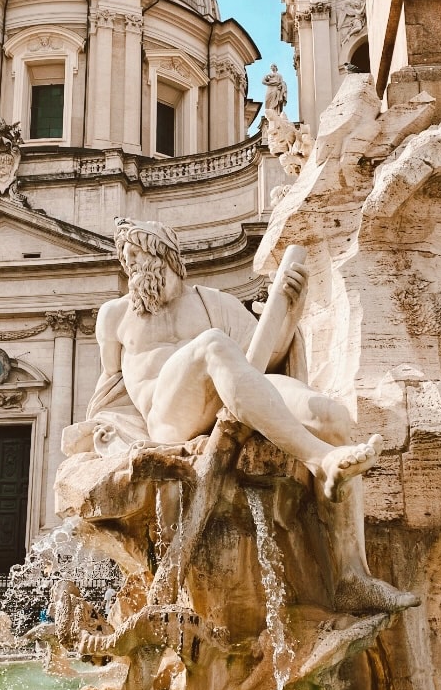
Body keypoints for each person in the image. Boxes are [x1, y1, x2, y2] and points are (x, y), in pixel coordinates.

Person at [88, 218, 418, 614]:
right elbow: (111, 390)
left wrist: (291, 312)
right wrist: (111, 435)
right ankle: (319, 459)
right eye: (127, 262)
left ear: (166, 255)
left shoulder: (215, 303)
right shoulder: (115, 315)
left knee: (331, 416)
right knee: (212, 344)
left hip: (228, 397)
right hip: (167, 416)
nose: (132, 270)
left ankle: (353, 577)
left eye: (138, 257)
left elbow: (262, 361)